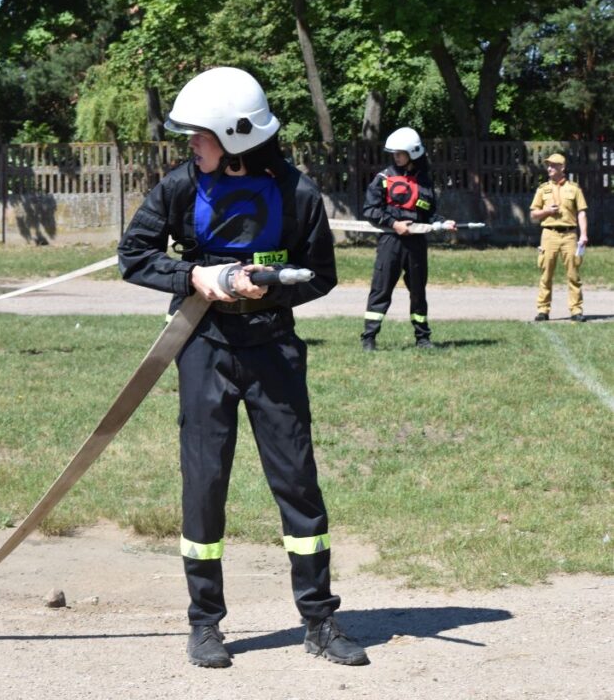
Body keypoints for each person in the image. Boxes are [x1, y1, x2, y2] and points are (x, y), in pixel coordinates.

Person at [117, 67, 368, 669]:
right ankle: (205, 624)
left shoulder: (298, 194)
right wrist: (194, 277)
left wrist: (268, 293)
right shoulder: (180, 186)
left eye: (199, 136)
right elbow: (135, 255)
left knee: (298, 487)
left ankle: (320, 621)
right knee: (204, 486)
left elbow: (322, 275)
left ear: (235, 136)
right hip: (203, 350)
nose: (191, 147)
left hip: (273, 351)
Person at [360, 127, 453, 351]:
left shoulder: (425, 182)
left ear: (413, 153)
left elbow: (429, 214)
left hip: (416, 243)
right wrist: (394, 224)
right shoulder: (383, 179)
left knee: (418, 290)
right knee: (381, 289)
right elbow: (370, 210)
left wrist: (443, 223)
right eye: (394, 153)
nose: (396, 156)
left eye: (400, 153)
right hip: (391, 242)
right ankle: (369, 338)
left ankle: (423, 338)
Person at [530, 152, 588, 322]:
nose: (549, 168)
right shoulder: (543, 189)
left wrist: (583, 234)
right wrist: (547, 211)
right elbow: (533, 214)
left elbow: (582, 213)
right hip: (549, 235)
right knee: (546, 274)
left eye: (554, 165)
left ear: (562, 167)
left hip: (570, 235)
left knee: (573, 274)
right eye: (548, 165)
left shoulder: (574, 189)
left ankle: (576, 310)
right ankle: (543, 310)